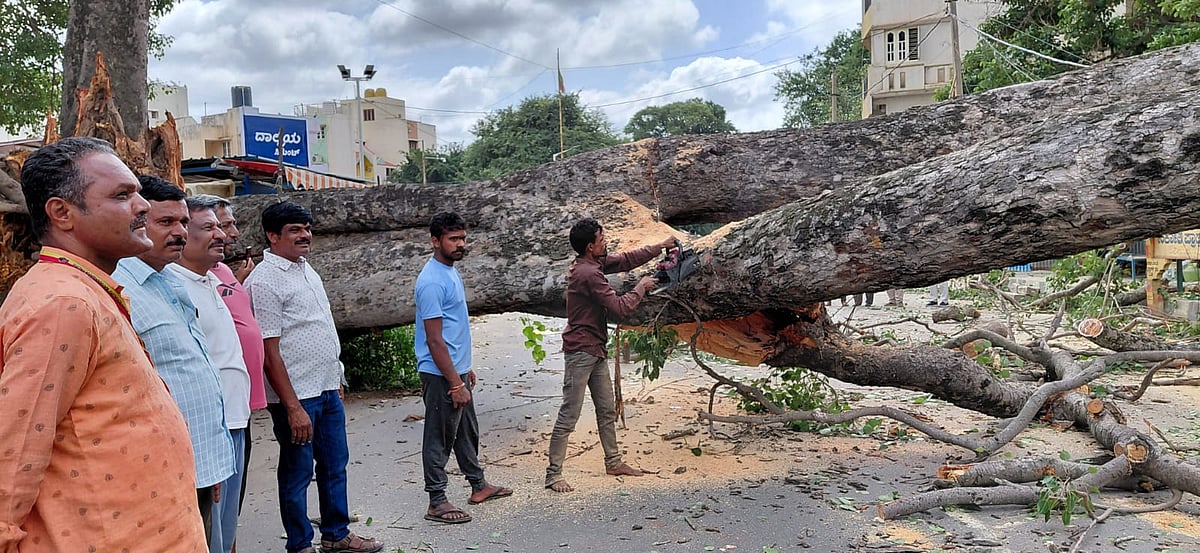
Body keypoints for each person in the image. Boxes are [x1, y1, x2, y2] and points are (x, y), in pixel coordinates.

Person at [0, 137, 207, 551]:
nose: (143, 206)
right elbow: (14, 451)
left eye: (137, 193)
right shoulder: (64, 304)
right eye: (122, 195)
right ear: (62, 213)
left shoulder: (85, 290)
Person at [244, 201, 382, 553]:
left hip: (325, 389)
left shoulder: (306, 269)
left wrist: (337, 377)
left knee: (335, 465)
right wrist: (292, 408)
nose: (305, 235)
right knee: (298, 472)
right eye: (295, 230)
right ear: (272, 236)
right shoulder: (264, 281)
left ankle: (336, 535)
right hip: (296, 397)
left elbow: (321, 327)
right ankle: (300, 544)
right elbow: (268, 352)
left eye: (306, 228)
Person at [113, 175, 236, 543]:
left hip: (198, 463)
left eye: (183, 222)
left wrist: (210, 459)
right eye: (166, 222)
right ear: (136, 221)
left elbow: (189, 370)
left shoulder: (170, 281)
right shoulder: (120, 289)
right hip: (159, 474)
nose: (180, 232)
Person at [546, 218, 675, 493]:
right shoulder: (589, 274)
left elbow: (626, 260)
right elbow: (618, 308)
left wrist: (660, 246)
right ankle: (553, 475)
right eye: (602, 240)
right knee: (569, 414)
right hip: (581, 352)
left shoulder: (591, 264)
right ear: (590, 247)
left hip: (595, 349)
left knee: (606, 409)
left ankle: (613, 461)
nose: (606, 244)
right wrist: (641, 287)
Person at [414, 212, 512, 524]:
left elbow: (453, 328)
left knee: (466, 432)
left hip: (455, 370)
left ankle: (478, 485)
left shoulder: (450, 272)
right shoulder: (431, 281)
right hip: (440, 373)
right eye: (453, 239)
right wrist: (454, 383)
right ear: (435, 241)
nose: (460, 244)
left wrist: (463, 369)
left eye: (462, 238)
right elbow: (434, 339)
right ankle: (436, 500)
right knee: (439, 436)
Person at [167, 196, 252, 553]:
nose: (222, 235)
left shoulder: (209, 280)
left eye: (220, 226)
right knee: (209, 533)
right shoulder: (175, 287)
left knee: (226, 527)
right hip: (209, 429)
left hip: (235, 418)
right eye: (209, 228)